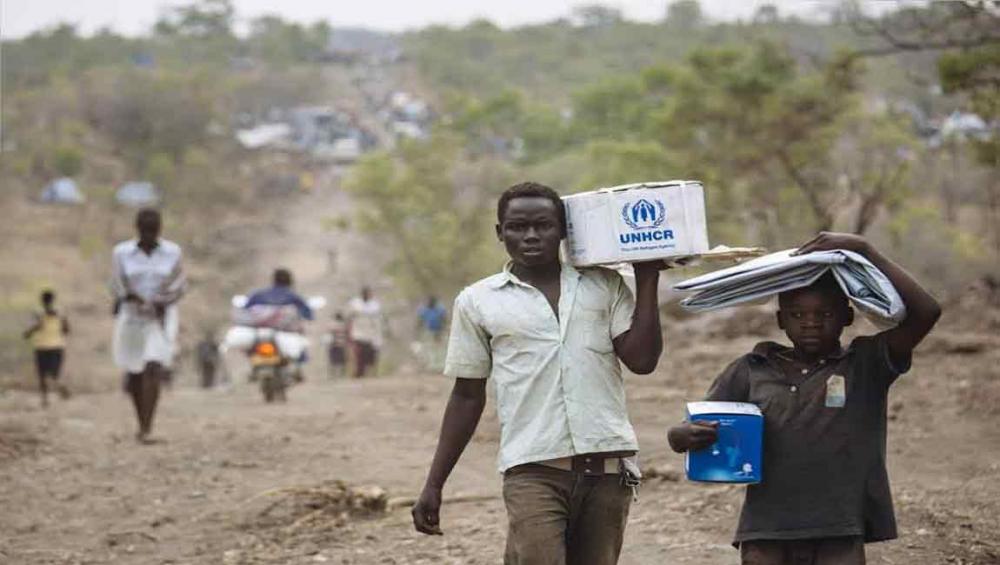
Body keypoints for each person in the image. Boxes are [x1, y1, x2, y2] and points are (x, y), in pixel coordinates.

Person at [411, 181, 671, 565]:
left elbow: (642, 360)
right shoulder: (478, 301)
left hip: (608, 471)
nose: (531, 235)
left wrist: (648, 279)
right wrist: (434, 484)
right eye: (517, 226)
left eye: (544, 225)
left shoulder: (603, 284)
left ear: (564, 229)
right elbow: (467, 395)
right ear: (500, 233)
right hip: (533, 472)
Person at [668, 232, 941, 565]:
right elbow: (698, 425)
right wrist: (679, 436)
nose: (811, 323)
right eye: (797, 315)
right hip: (766, 529)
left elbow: (926, 312)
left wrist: (865, 249)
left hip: (839, 527)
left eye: (825, 314)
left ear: (847, 316)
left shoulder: (865, 364)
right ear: (781, 320)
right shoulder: (752, 368)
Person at [112, 208, 186, 444]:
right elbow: (117, 284)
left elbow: (179, 283)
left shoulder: (173, 252)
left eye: (153, 232)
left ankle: (147, 426)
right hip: (133, 316)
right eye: (145, 232)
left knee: (153, 365)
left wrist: (162, 301)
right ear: (138, 230)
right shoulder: (122, 252)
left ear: (159, 231)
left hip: (161, 317)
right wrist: (133, 298)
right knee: (134, 370)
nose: (149, 236)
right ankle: (140, 420)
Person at [23, 290, 70, 407]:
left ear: (42, 300)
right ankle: (59, 388)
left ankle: (45, 399)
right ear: (53, 300)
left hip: (41, 347)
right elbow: (66, 330)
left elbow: (34, 327)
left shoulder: (38, 313)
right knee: (54, 374)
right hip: (57, 346)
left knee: (42, 375)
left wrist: (27, 333)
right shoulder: (60, 313)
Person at [245, 268, 314, 322]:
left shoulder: (258, 294)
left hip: (258, 332)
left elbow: (245, 310)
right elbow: (308, 315)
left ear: (274, 279)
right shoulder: (294, 297)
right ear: (290, 281)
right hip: (287, 333)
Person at [347, 286, 383, 378]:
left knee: (370, 355)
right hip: (358, 332)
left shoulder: (375, 305)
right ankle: (359, 372)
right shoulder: (355, 304)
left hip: (370, 333)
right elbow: (350, 317)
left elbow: (377, 320)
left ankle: (369, 373)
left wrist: (377, 334)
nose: (368, 295)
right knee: (359, 354)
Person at [326, 311, 350, 378]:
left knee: (337, 361)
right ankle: (338, 375)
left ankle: (336, 375)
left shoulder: (335, 324)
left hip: (337, 344)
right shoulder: (343, 325)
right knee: (338, 361)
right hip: (338, 344)